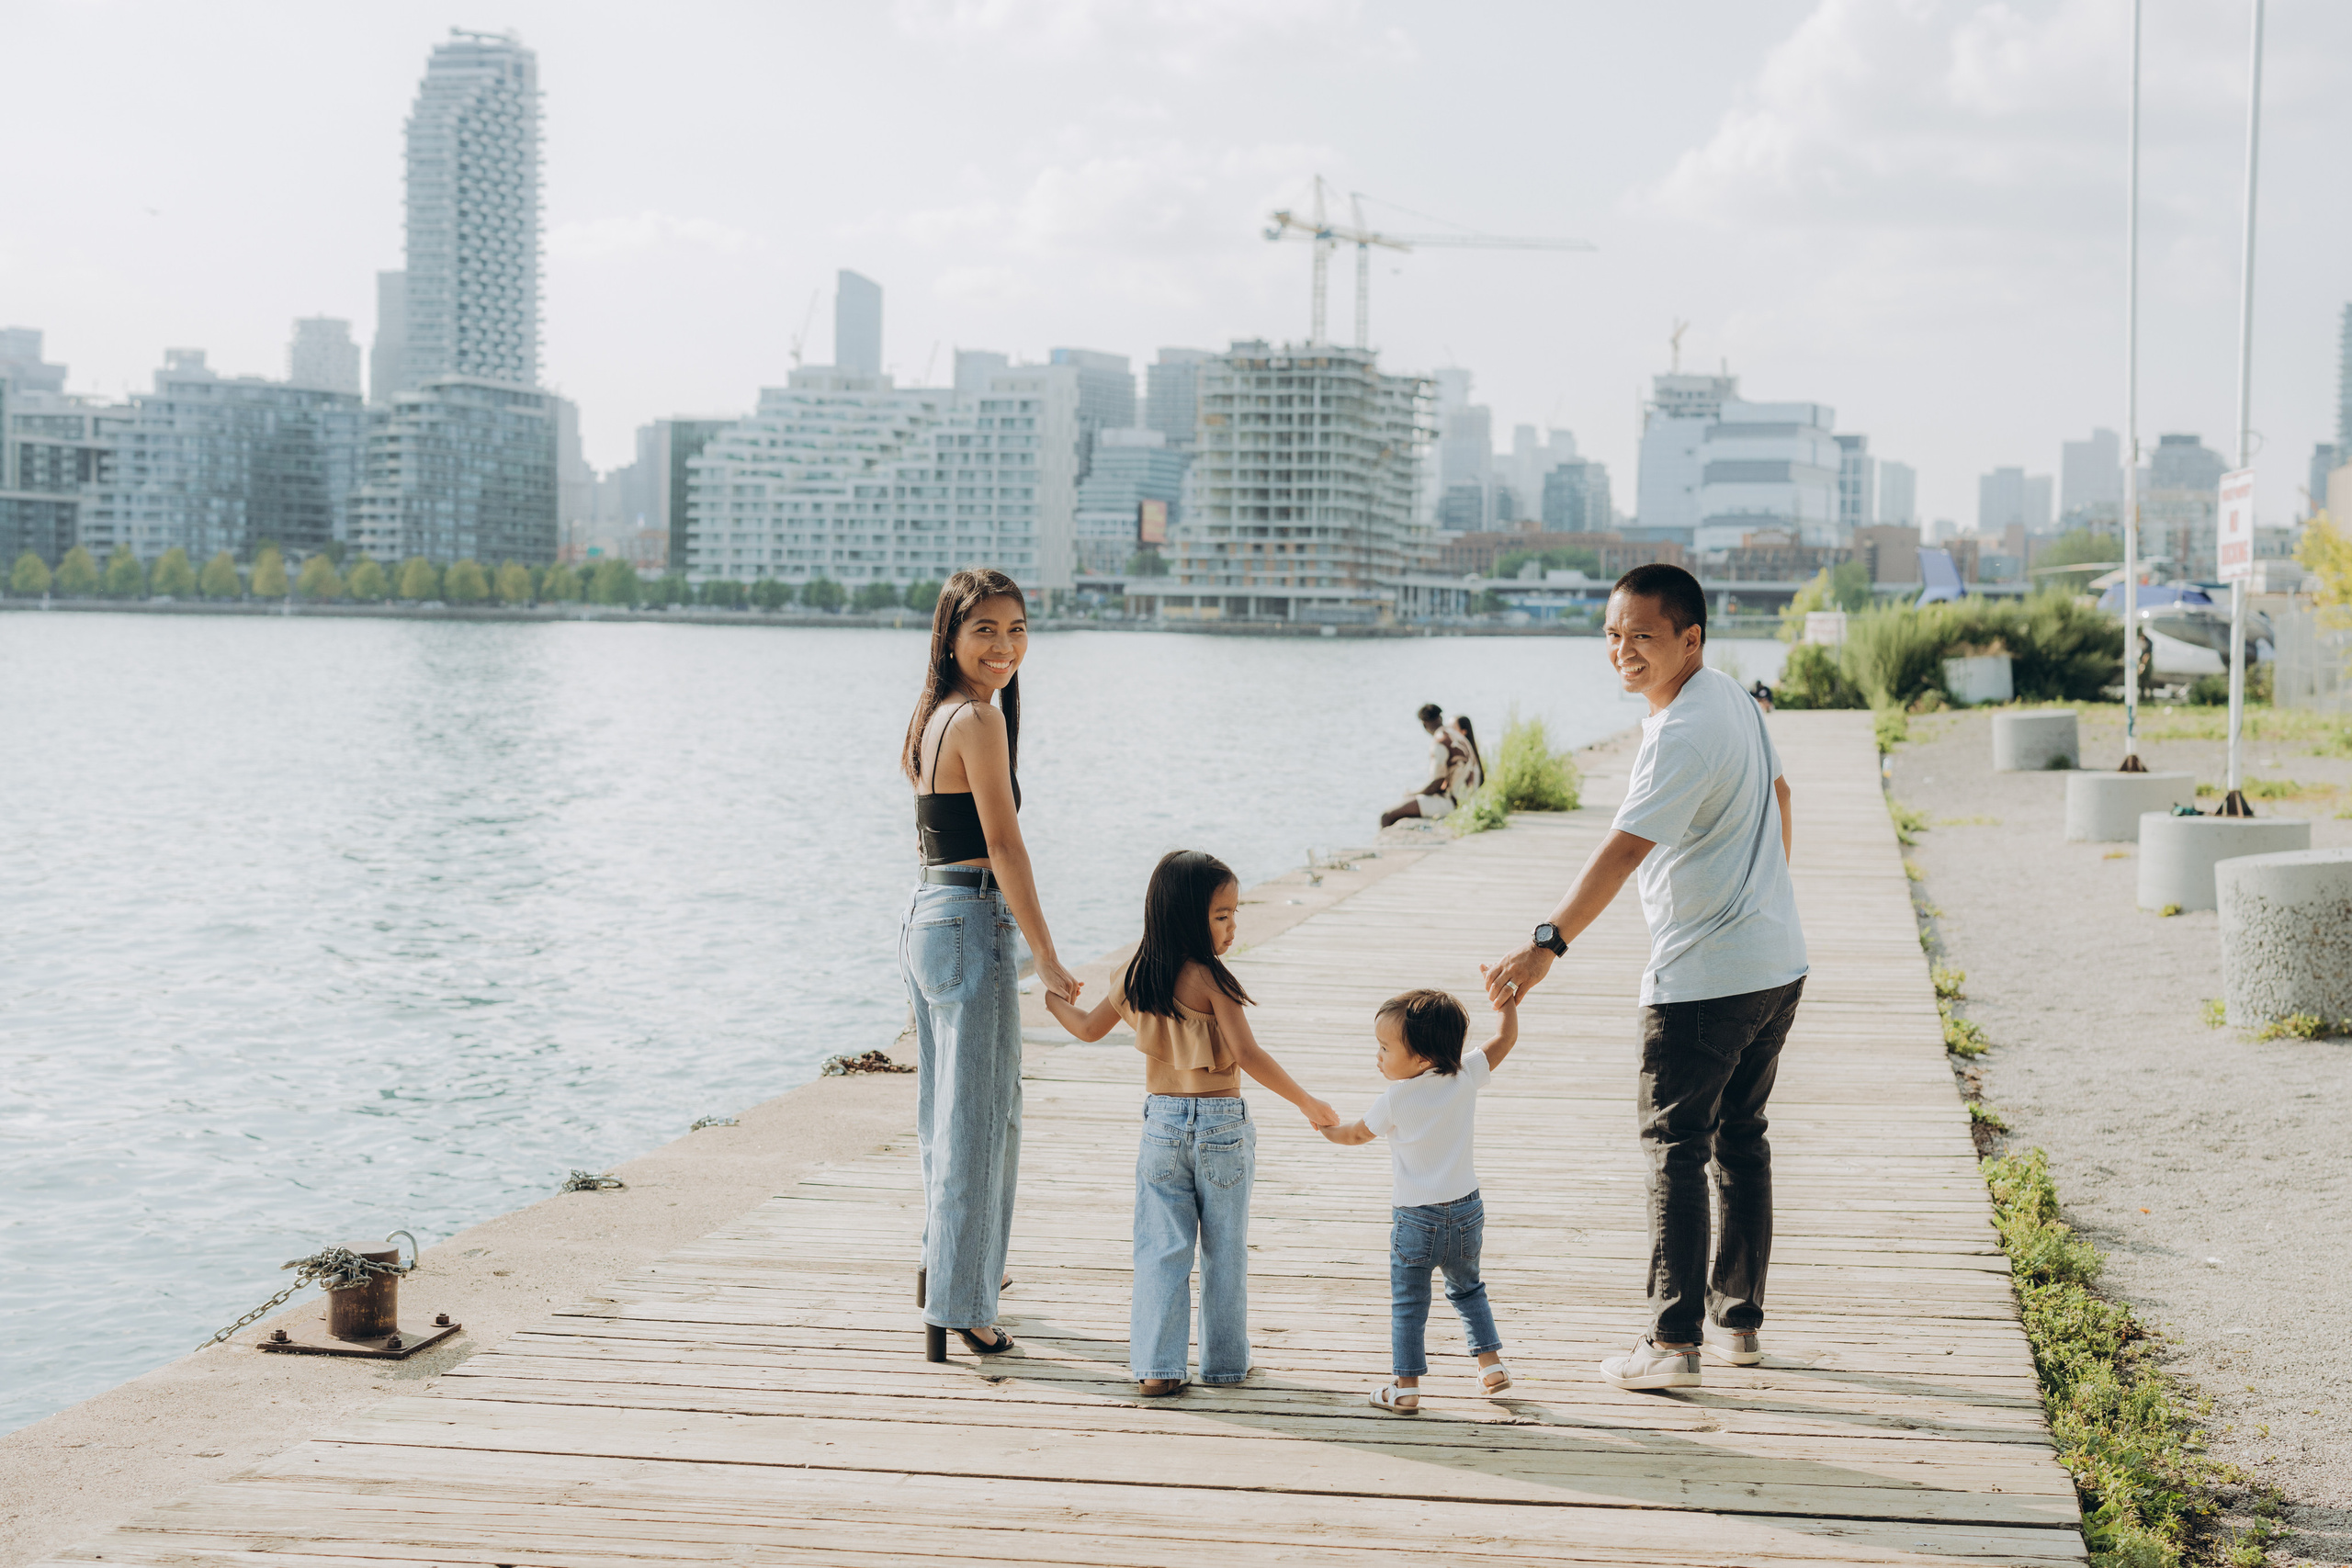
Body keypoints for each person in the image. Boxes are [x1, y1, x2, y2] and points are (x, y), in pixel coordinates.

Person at [1481, 562, 1806, 1392]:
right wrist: (1761, 900)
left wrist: (1544, 945)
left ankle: (1671, 1343)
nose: (1623, 650)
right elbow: (1780, 793)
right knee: (1742, 1138)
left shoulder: (1683, 730)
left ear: (1690, 639)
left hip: (1703, 980)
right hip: (1774, 964)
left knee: (1675, 1148)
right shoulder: (1731, 697)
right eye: (1613, 635)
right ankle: (1739, 1321)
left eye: (1643, 636)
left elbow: (1623, 849)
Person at [1045, 850, 1339, 1396]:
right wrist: (1307, 1102)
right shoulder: (1211, 980)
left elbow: (1085, 1028)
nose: (1232, 927)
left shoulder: (1135, 972)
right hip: (1223, 1126)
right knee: (1224, 1249)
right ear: (1186, 916)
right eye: (1221, 916)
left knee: (1162, 1247)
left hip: (1161, 1125)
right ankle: (1225, 1365)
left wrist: (1050, 998)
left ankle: (1157, 1368)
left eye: (1233, 914)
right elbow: (1247, 1054)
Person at [899, 567, 1081, 1361]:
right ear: (952, 635)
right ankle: (966, 1304)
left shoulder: (932, 716)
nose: (1004, 646)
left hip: (930, 913)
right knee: (983, 1121)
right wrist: (1047, 955)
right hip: (972, 915)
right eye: (986, 630)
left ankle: (947, 1267)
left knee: (948, 1115)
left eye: (1016, 630)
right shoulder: (978, 720)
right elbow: (1003, 845)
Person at [1321, 987, 1520, 1414]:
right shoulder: (1465, 1075)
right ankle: (1490, 1365)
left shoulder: (1396, 1097)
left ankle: (1405, 1386)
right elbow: (1504, 1041)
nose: (1378, 1055)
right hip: (1467, 1211)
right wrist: (1507, 1006)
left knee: (1409, 1304)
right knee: (1468, 1289)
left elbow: (1355, 1134)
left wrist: (1326, 1128)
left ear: (1422, 1059)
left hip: (1416, 1220)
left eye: (1385, 1047)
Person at [1380, 704, 1471, 829]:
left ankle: (1383, 847)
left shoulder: (1439, 743)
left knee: (1387, 815)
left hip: (1452, 802)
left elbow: (1436, 783)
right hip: (1467, 797)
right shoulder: (1456, 735)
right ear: (1441, 718)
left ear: (1424, 724)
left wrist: (1413, 794)